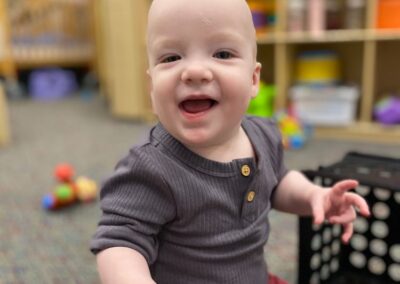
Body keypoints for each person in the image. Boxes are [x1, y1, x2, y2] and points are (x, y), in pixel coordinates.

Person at [90, 0, 370, 283]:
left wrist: (313, 197)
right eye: (171, 58)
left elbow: (279, 182)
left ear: (253, 79)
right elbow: (119, 243)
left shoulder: (264, 134)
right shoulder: (149, 167)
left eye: (222, 53)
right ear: (151, 88)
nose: (195, 71)